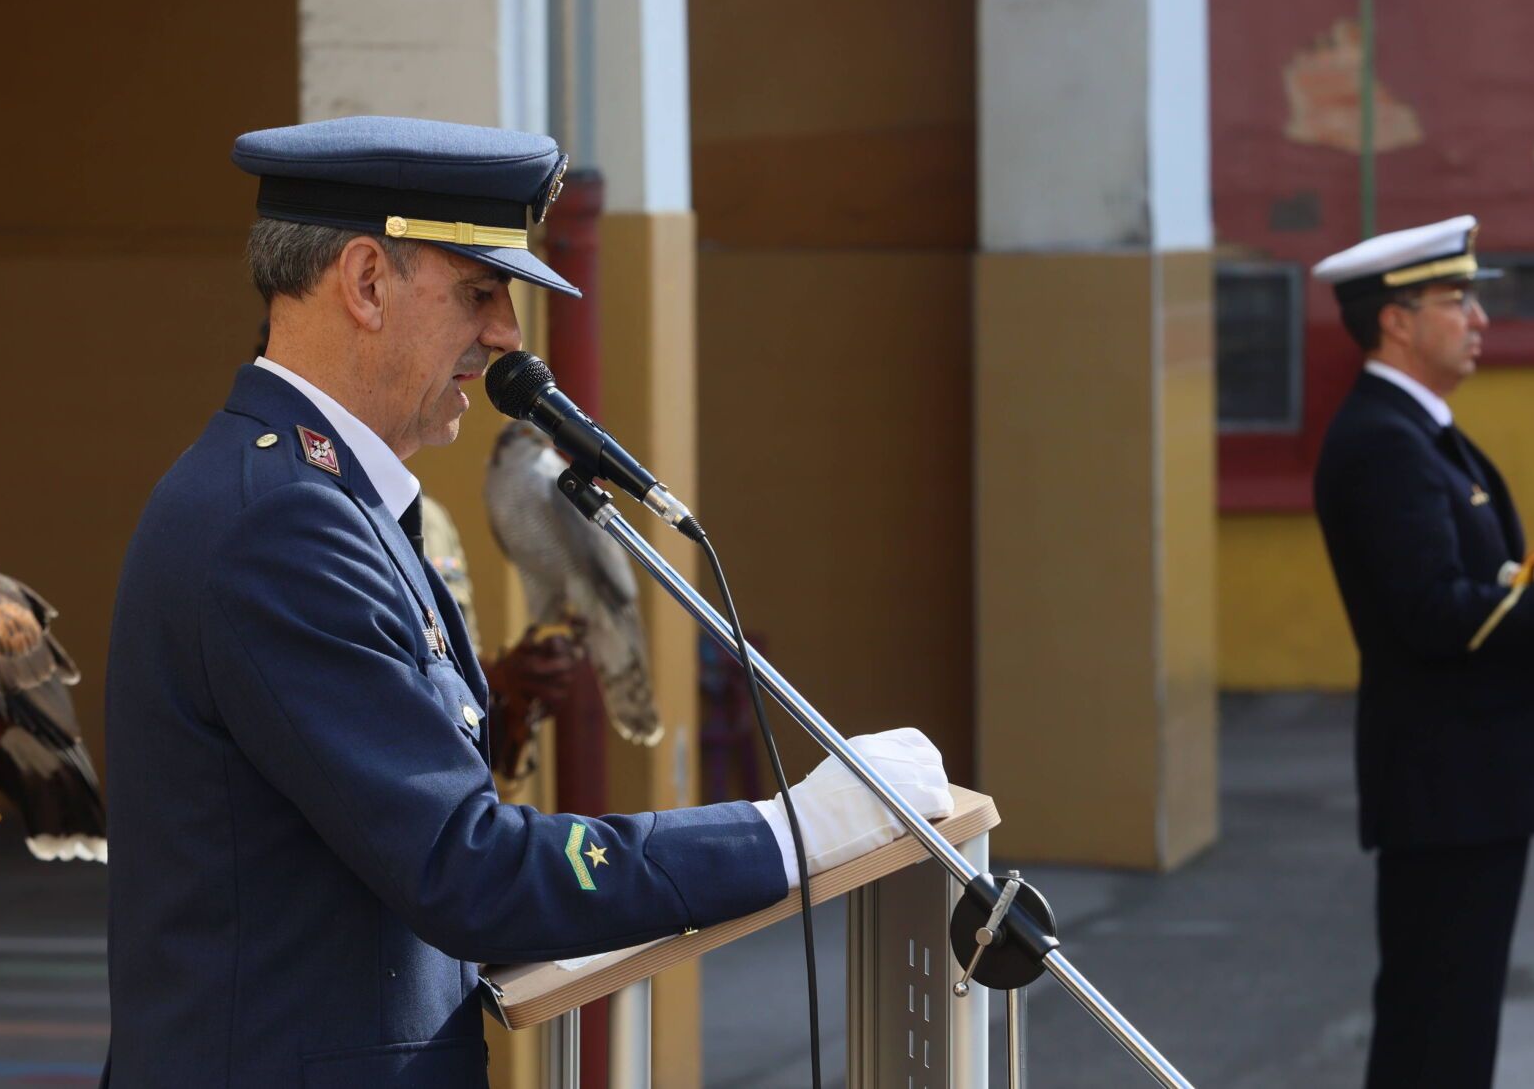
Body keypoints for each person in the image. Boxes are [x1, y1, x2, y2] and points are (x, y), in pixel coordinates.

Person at [102, 116, 951, 1087]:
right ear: (367, 282)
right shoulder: (283, 526)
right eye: (478, 291)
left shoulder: (320, 500)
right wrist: (786, 835)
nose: (506, 334)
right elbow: (469, 871)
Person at [1310, 216, 1534, 1089]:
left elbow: (1474, 579)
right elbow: (1434, 612)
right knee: (1437, 1022)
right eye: (1457, 299)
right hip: (1446, 779)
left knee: (1450, 1016)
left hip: (1464, 777)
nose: (1478, 319)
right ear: (1396, 320)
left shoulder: (1417, 432)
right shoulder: (1385, 443)